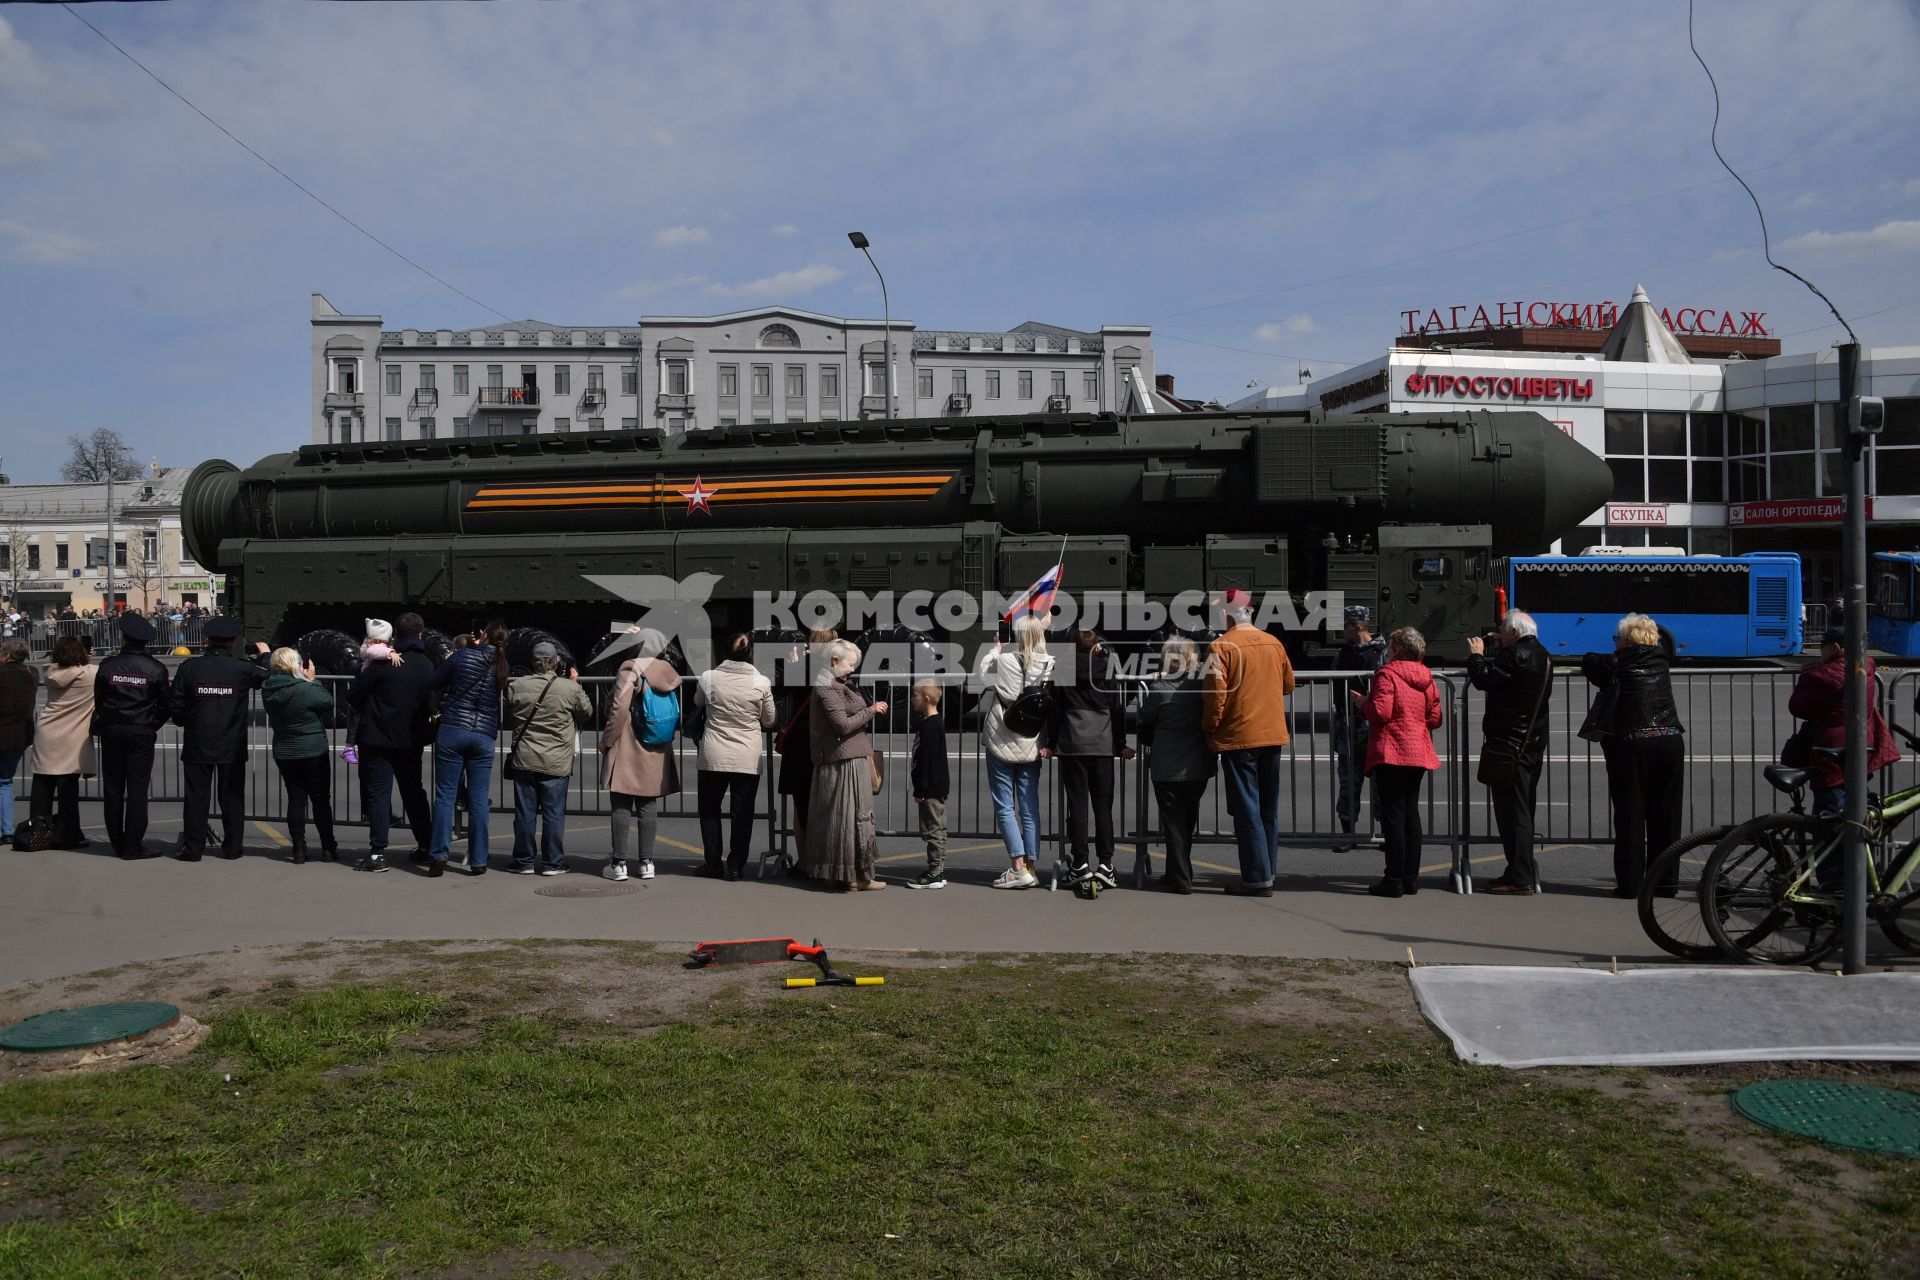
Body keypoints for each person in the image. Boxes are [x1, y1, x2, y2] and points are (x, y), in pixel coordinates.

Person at [1203, 588, 1296, 896]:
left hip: (1239, 737)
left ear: (1228, 614)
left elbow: (1216, 696)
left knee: (1247, 810)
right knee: (1268, 809)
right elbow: (1289, 685)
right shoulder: (1274, 643)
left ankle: (1257, 878)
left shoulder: (1220, 646)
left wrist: (1210, 729)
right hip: (1272, 733)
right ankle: (1267, 871)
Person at [1466, 610, 1552, 895]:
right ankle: (1519, 870)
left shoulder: (1514, 655)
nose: (1498, 637)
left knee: (1512, 813)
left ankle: (1519, 876)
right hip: (1532, 742)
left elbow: (1484, 679)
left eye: (1502, 632)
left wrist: (1477, 655)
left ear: (1514, 633)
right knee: (1524, 809)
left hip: (1509, 744)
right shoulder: (1543, 654)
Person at [1788, 623, 1899, 841]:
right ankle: (1858, 869)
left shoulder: (1825, 674)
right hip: (1859, 749)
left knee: (1830, 817)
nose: (1821, 651)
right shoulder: (1867, 665)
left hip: (1830, 751)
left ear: (1836, 648)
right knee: (1855, 810)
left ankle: (1833, 872)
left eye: (1823, 646)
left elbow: (1797, 706)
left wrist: (1809, 674)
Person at [1042, 629, 1135, 889]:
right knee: (1103, 807)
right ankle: (1106, 865)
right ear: (1096, 647)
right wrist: (1121, 744)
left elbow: (1055, 710)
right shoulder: (1107, 668)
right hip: (1103, 744)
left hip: (1073, 744)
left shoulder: (1063, 669)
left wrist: (1051, 744)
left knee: (1078, 805)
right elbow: (1117, 709)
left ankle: (1079, 864)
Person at [171, 617, 270, 862]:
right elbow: (268, 675)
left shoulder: (190, 668)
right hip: (231, 743)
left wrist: (187, 721)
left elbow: (175, 704)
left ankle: (193, 849)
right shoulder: (241, 668)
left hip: (198, 742)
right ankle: (233, 848)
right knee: (232, 797)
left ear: (207, 640)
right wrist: (265, 654)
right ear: (233, 641)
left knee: (196, 797)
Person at [347, 611, 435, 873]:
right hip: (411, 740)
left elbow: (355, 694)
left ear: (396, 634)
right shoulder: (425, 664)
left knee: (379, 794)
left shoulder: (383, 664)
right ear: (421, 634)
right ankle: (427, 846)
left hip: (377, 738)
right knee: (414, 793)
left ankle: (377, 853)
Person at [1358, 627, 1442, 898]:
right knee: (1410, 814)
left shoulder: (1387, 674)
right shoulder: (1427, 676)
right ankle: (1410, 878)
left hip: (1392, 750)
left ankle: (1393, 879)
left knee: (1393, 815)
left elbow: (1380, 712)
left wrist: (1362, 703)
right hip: (1418, 749)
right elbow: (1435, 718)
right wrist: (1415, 722)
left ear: (1395, 649)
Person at [977, 614, 1056, 889]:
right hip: (1032, 741)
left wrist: (994, 650)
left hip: (1002, 737)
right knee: (1029, 805)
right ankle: (1031, 867)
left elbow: (982, 674)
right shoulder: (1049, 664)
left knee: (1005, 806)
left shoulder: (1006, 660)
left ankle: (1017, 867)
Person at [804, 638, 888, 891]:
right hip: (843, 760)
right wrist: (871, 711)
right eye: (851, 664)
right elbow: (842, 725)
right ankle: (856, 877)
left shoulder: (836, 682)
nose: (853, 668)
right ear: (834, 661)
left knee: (843, 819)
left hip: (844, 756)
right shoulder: (828, 686)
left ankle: (842, 875)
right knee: (851, 818)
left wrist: (864, 715)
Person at [504, 642, 594, 876]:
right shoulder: (568, 688)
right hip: (556, 761)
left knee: (525, 813)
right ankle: (552, 863)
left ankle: (523, 860)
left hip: (525, 758)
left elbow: (509, 711)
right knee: (553, 814)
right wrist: (574, 684)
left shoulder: (518, 685)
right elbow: (586, 712)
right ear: (556, 663)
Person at [427, 620, 509, 877]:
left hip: (453, 729)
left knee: (445, 796)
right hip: (483, 734)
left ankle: (438, 856)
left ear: (483, 635)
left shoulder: (461, 656)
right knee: (478, 800)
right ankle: (478, 860)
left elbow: (434, 681)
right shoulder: (501, 664)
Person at [599, 627, 681, 881]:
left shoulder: (630, 667)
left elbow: (619, 708)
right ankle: (647, 862)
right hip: (656, 743)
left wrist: (607, 741)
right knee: (648, 803)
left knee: (621, 802)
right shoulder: (668, 672)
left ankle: (619, 863)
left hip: (629, 741)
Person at [693, 631, 776, 880]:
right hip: (746, 757)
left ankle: (713, 864)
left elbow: (698, 703)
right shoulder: (761, 682)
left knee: (709, 809)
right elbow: (770, 720)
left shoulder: (709, 678)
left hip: (713, 753)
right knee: (742, 813)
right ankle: (737, 865)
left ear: (726, 652)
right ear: (751, 654)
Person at [1139, 634, 1213, 895]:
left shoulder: (1159, 689)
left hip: (1167, 765)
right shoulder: (1202, 686)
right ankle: (1177, 872)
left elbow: (1146, 723)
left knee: (1173, 823)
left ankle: (1181, 878)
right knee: (1187, 821)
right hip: (1197, 765)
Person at [93, 613, 171, 859]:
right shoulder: (156, 669)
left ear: (124, 638)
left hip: (113, 730)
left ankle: (117, 840)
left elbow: (100, 700)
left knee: (113, 788)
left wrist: (109, 720)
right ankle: (133, 845)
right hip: (141, 731)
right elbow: (165, 705)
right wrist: (150, 725)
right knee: (137, 789)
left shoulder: (107, 666)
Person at [262, 645, 340, 865]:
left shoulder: (268, 690)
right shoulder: (305, 688)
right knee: (320, 800)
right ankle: (328, 847)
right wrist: (312, 679)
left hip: (285, 750)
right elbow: (327, 702)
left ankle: (298, 848)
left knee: (296, 799)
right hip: (313, 748)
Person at [776, 627, 837, 869]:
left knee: (801, 806)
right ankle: (825, 860)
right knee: (826, 803)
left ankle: (805, 862)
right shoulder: (837, 667)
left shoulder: (802, 665)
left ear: (813, 641)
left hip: (801, 741)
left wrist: (793, 664)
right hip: (827, 741)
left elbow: (780, 690)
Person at [29, 635, 96, 850]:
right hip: (73, 734)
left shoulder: (50, 672)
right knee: (68, 789)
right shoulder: (89, 674)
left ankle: (39, 832)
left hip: (47, 730)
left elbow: (59, 666)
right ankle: (68, 834)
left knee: (42, 785)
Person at [1330, 605, 1387, 852]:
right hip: (1349, 725)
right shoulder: (1342, 655)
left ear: (1358, 626)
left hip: (1375, 725)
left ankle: (1385, 833)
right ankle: (1348, 834)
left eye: (1344, 625)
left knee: (1381, 782)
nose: (1341, 631)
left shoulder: (1383, 652)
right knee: (1348, 781)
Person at [907, 679, 951, 890]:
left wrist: (921, 790)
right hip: (937, 786)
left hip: (931, 788)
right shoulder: (933, 722)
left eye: (914, 696)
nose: (912, 700)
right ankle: (938, 870)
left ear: (925, 699)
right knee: (938, 829)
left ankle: (934, 872)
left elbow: (927, 761)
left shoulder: (930, 726)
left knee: (933, 830)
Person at [341, 618, 395, 765]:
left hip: (364, 681)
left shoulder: (371, 643)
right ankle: (349, 747)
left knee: (357, 718)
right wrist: (391, 653)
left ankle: (350, 746)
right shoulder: (371, 646)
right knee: (356, 718)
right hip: (365, 682)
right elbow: (375, 651)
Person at [0, 638, 36, 841]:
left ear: (6, 655)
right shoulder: (31, 673)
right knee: (5, 781)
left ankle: (4, 829)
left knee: (3, 782)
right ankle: (6, 830)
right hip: (20, 735)